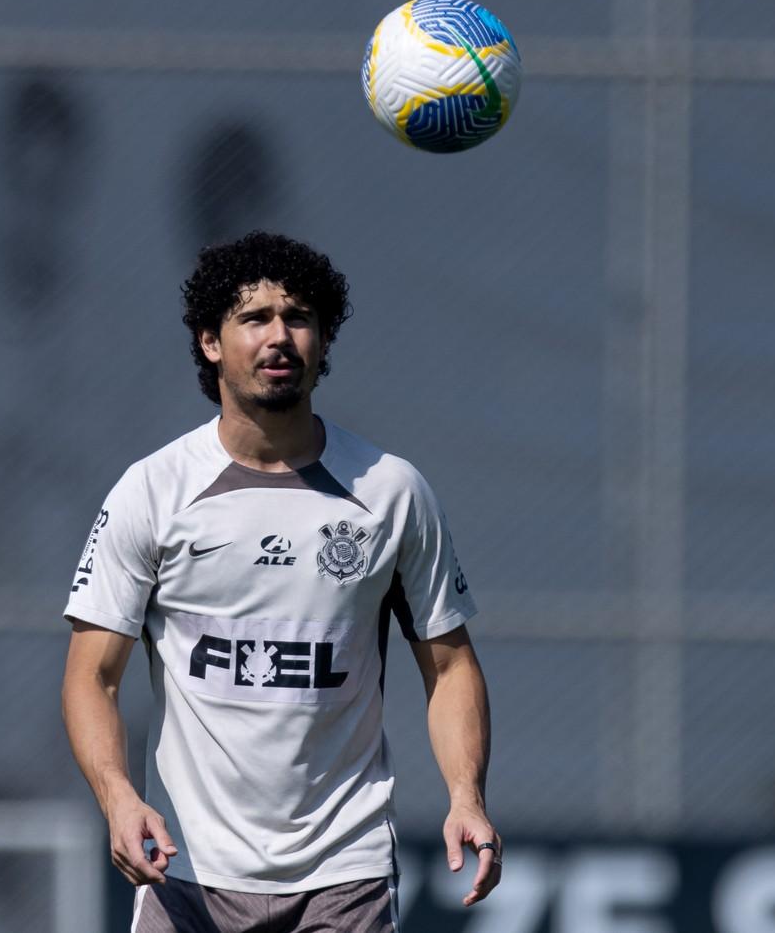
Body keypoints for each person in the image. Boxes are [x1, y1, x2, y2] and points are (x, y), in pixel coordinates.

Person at [61, 231, 501, 932]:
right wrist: (118, 796)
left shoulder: (391, 492)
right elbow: (92, 677)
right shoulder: (151, 491)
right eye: (254, 318)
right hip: (186, 872)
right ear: (210, 342)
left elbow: (450, 667)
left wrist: (466, 795)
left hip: (343, 872)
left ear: (323, 342)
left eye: (298, 318)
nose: (280, 336)